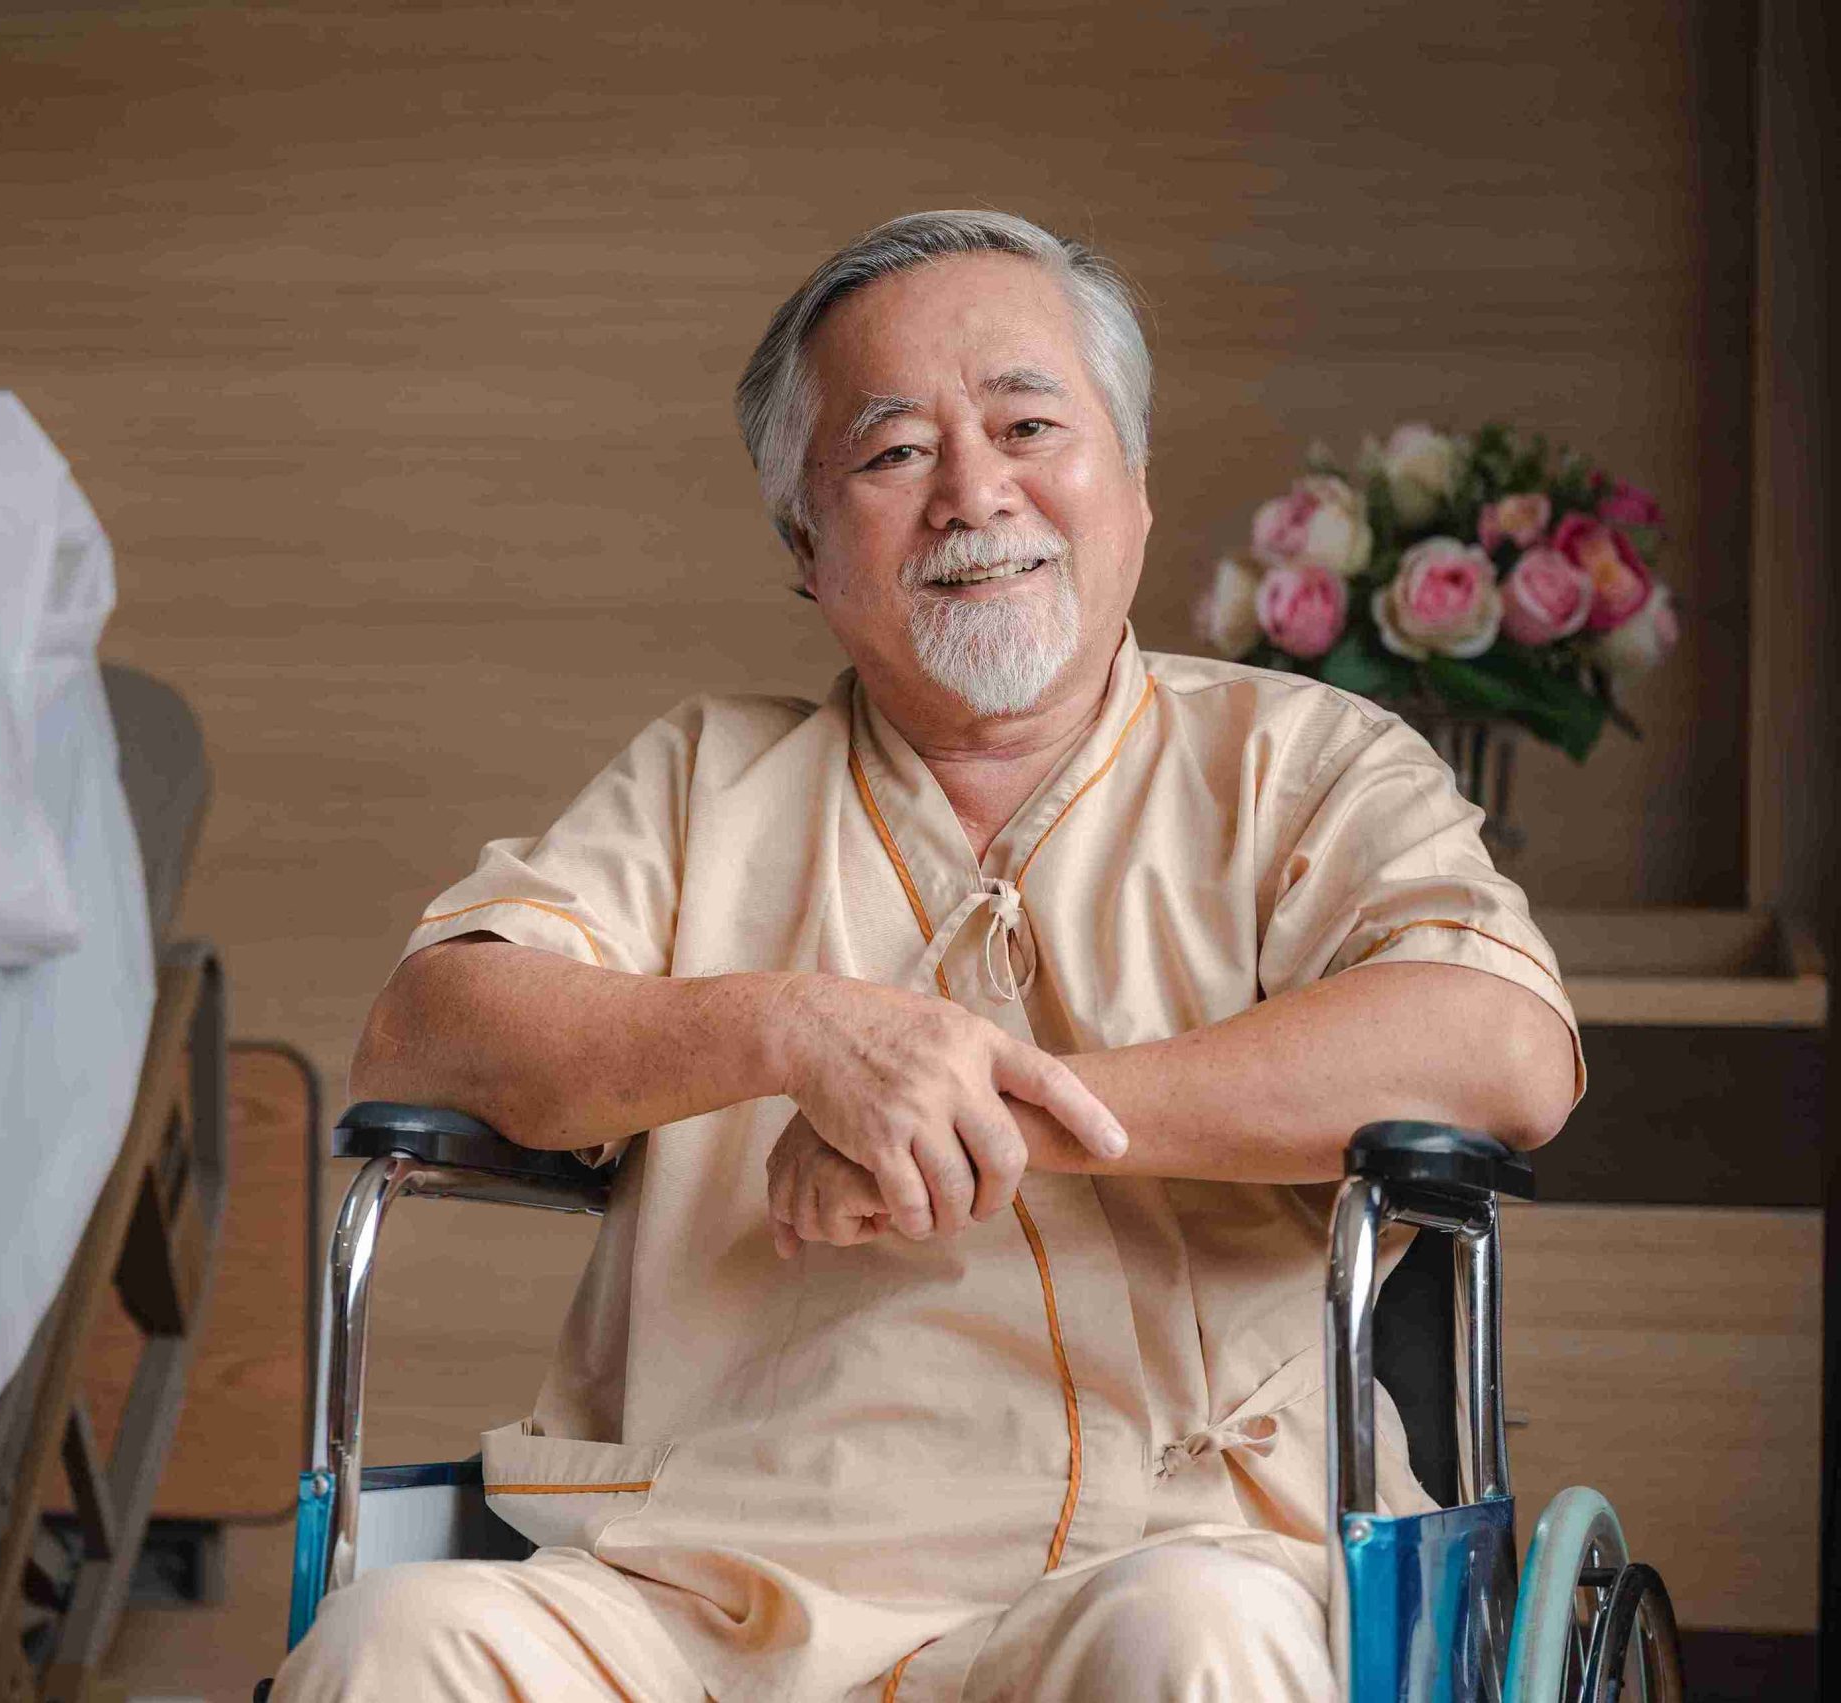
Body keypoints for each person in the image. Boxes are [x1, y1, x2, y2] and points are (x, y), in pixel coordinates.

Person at [275, 208, 1581, 1703]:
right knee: (397, 1644)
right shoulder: (703, 784)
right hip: (709, 1583)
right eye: (893, 454)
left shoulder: (1304, 764)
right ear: (805, 551)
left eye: (1031, 424)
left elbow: (1502, 1048)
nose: (974, 492)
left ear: (1135, 489)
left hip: (1158, 1558)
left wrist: (995, 1113)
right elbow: (425, 1035)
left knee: (1198, 1642)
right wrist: (795, 1034)